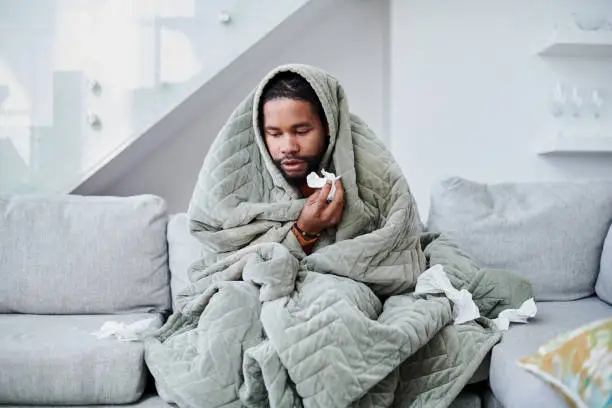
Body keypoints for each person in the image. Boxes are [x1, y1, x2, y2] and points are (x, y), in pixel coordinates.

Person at [258, 72, 344, 254]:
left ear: (328, 126)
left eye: (302, 131)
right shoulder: (243, 194)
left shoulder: (366, 175)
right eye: (274, 134)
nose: (288, 147)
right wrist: (305, 230)